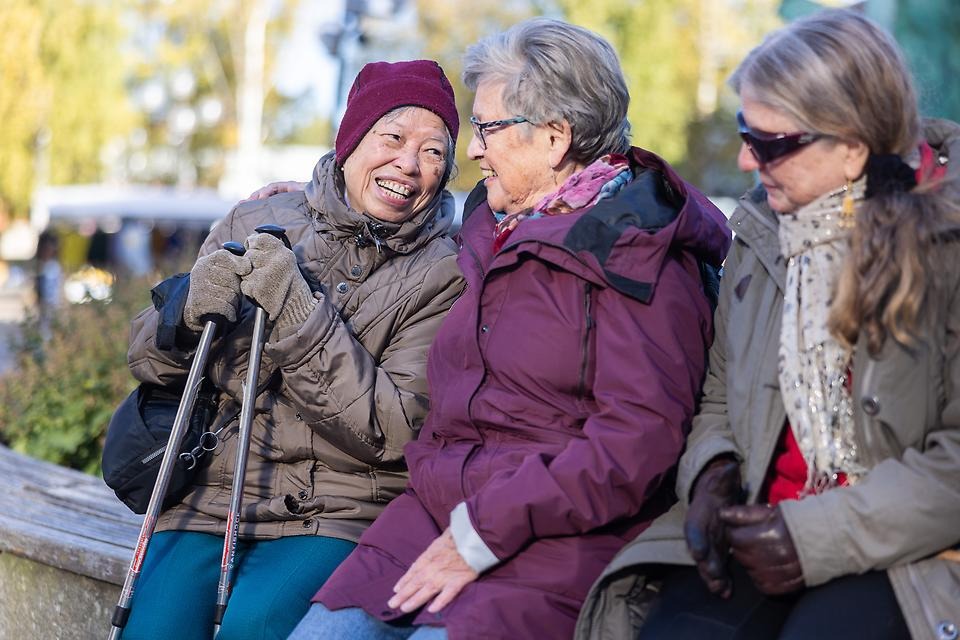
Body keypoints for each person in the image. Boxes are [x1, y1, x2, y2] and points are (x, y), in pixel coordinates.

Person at [280, 18, 731, 640]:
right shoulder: (494, 230)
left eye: (488, 128)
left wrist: (485, 531)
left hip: (558, 541)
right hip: (433, 513)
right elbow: (378, 225)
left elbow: (635, 444)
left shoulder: (637, 249)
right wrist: (294, 203)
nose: (472, 149)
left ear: (553, 138)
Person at [576, 9, 960, 640]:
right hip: (764, 528)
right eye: (743, 130)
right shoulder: (760, 231)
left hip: (908, 551)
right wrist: (713, 472)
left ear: (853, 145)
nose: (746, 160)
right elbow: (721, 386)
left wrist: (815, 536)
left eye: (771, 142)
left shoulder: (942, 239)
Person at [120, 59, 464, 640]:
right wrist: (181, 313)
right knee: (152, 629)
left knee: (256, 626)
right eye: (394, 137)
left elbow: (393, 430)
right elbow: (148, 362)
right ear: (352, 139)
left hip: (337, 512)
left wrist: (299, 315)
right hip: (215, 493)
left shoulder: (446, 271)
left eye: (435, 152)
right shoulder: (257, 216)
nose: (409, 163)